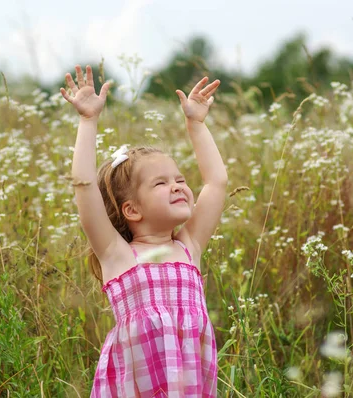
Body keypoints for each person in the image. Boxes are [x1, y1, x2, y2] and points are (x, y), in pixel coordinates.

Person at [60, 64, 228, 397]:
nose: (178, 186)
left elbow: (217, 182)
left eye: (180, 179)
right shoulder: (117, 254)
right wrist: (87, 121)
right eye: (161, 183)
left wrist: (196, 124)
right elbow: (83, 188)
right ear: (132, 210)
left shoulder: (189, 247)